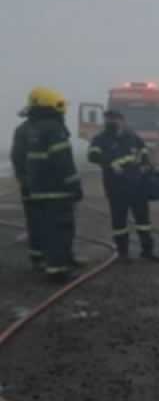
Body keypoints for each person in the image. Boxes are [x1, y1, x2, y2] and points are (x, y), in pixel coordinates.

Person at [24, 87, 83, 282]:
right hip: (57, 191)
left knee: (48, 230)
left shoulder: (34, 128)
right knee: (60, 230)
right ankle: (58, 272)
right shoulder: (54, 129)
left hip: (39, 190)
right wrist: (75, 186)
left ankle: (54, 266)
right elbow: (64, 161)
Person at [87, 110, 159, 262]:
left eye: (115, 119)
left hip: (137, 186)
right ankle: (123, 253)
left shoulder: (132, 137)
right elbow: (92, 155)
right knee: (119, 222)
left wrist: (147, 165)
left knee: (143, 221)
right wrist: (109, 163)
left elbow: (144, 151)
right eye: (109, 119)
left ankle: (147, 251)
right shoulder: (100, 139)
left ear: (122, 120)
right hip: (116, 187)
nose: (112, 121)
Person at [11, 96, 42, 270]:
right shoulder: (31, 131)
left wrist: (23, 180)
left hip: (30, 184)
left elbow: (16, 158)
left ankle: (38, 258)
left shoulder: (22, 130)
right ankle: (43, 258)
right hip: (36, 184)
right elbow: (18, 158)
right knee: (41, 220)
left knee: (34, 220)